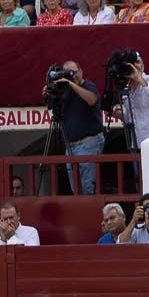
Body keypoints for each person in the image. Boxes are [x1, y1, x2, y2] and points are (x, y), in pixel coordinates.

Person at [43, 60, 105, 196]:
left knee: (88, 187)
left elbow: (92, 100)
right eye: (67, 74)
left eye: (73, 72)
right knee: (76, 189)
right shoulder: (64, 92)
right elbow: (51, 106)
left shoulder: (88, 85)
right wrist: (50, 93)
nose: (71, 76)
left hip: (89, 143)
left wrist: (71, 83)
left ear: (81, 71)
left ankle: (89, 214)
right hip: (71, 146)